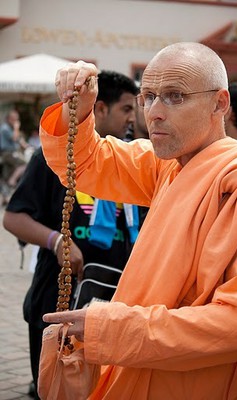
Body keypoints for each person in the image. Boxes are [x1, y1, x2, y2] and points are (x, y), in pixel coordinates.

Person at [40, 43, 237, 400]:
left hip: (194, 384)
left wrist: (113, 330)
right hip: (130, 365)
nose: (154, 113)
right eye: (148, 96)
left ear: (220, 104)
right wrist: (80, 111)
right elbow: (86, 163)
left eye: (175, 96)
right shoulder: (167, 164)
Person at [3, 70, 141, 399]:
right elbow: (13, 217)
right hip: (60, 297)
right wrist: (57, 241)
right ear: (100, 108)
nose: (132, 119)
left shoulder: (133, 160)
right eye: (125, 109)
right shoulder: (54, 157)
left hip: (113, 305)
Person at [0, 109, 27, 204]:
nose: (16, 121)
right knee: (24, 164)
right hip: (8, 153)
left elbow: (19, 140)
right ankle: (13, 180)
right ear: (9, 119)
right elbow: (15, 138)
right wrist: (16, 127)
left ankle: (4, 199)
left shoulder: (10, 128)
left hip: (11, 153)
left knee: (6, 176)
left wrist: (24, 144)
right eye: (15, 119)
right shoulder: (5, 128)